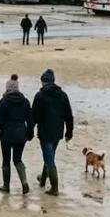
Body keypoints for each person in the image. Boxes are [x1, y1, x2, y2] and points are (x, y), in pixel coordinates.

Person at [31, 68, 74, 196]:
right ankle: (43, 179)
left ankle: (54, 187)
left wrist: (29, 131)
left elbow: (34, 115)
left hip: (45, 132)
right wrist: (69, 132)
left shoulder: (40, 95)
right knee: (49, 155)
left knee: (49, 157)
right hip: (57, 132)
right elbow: (69, 115)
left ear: (43, 82)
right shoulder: (63, 95)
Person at [0, 74, 33, 194]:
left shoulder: (4, 101)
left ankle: (6, 186)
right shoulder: (25, 101)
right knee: (18, 159)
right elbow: (30, 119)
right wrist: (30, 133)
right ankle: (24, 183)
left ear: (8, 88)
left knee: (6, 160)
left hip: (7, 135)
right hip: (21, 135)